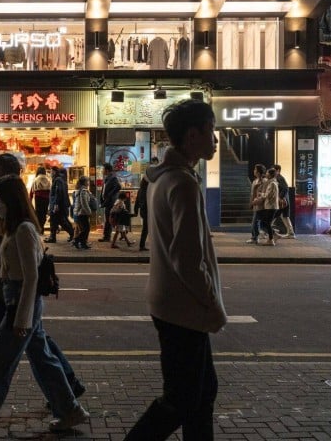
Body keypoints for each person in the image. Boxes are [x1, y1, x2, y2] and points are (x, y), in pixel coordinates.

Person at [0, 153, 85, 422]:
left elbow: (29, 273)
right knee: (39, 348)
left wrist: (19, 311)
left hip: (14, 290)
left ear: (9, 176)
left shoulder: (20, 220)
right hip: (7, 285)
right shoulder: (9, 211)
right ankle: (69, 399)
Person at [125, 99, 226, 441]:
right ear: (194, 135)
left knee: (203, 392)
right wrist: (213, 305)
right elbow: (188, 258)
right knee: (181, 399)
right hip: (184, 308)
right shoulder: (182, 183)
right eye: (212, 131)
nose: (216, 139)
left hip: (169, 302)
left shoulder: (162, 178)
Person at [135, 157, 159, 252]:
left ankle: (143, 245)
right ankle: (143, 245)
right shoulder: (148, 189)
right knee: (147, 228)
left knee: (147, 228)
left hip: (145, 210)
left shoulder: (142, 188)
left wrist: (136, 210)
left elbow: (137, 200)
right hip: (148, 210)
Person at [47, 166, 74, 243]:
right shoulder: (60, 179)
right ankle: (52, 237)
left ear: (54, 172)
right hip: (59, 204)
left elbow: (58, 192)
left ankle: (72, 233)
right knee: (56, 221)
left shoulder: (58, 180)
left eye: (51, 171)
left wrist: (56, 204)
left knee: (59, 221)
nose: (50, 173)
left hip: (58, 205)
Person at [271, 163, 295, 238]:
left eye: (274, 170)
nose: (273, 172)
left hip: (282, 202)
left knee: (272, 216)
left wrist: (280, 197)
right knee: (285, 217)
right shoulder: (279, 177)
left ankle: (266, 231)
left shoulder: (279, 178)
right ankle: (291, 233)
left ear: (278, 170)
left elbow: (285, 188)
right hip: (284, 201)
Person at [98, 163, 121, 243]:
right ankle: (106, 236)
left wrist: (109, 196)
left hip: (110, 202)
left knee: (109, 219)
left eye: (103, 169)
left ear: (107, 170)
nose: (102, 171)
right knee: (108, 219)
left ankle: (107, 236)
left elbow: (118, 187)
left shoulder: (113, 178)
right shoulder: (107, 178)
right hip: (107, 202)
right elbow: (104, 189)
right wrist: (102, 198)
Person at [246, 164, 268, 245]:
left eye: (255, 170)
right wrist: (251, 203)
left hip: (261, 204)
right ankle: (272, 234)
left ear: (259, 172)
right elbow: (252, 194)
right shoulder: (255, 181)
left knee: (255, 222)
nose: (254, 171)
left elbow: (264, 193)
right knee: (260, 222)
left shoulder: (265, 181)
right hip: (255, 204)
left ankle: (254, 238)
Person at [71, 175, 94, 250]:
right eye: (87, 181)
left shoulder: (80, 190)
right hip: (82, 213)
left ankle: (82, 243)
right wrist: (89, 212)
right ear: (84, 182)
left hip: (79, 212)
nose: (88, 182)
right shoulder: (83, 191)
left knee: (84, 229)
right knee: (86, 229)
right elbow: (84, 203)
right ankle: (77, 240)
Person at [30, 166, 52, 236]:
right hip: (46, 198)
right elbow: (50, 190)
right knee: (44, 213)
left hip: (38, 198)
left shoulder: (36, 179)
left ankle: (40, 228)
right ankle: (41, 227)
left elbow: (32, 190)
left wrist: (30, 199)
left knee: (38, 213)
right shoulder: (48, 179)